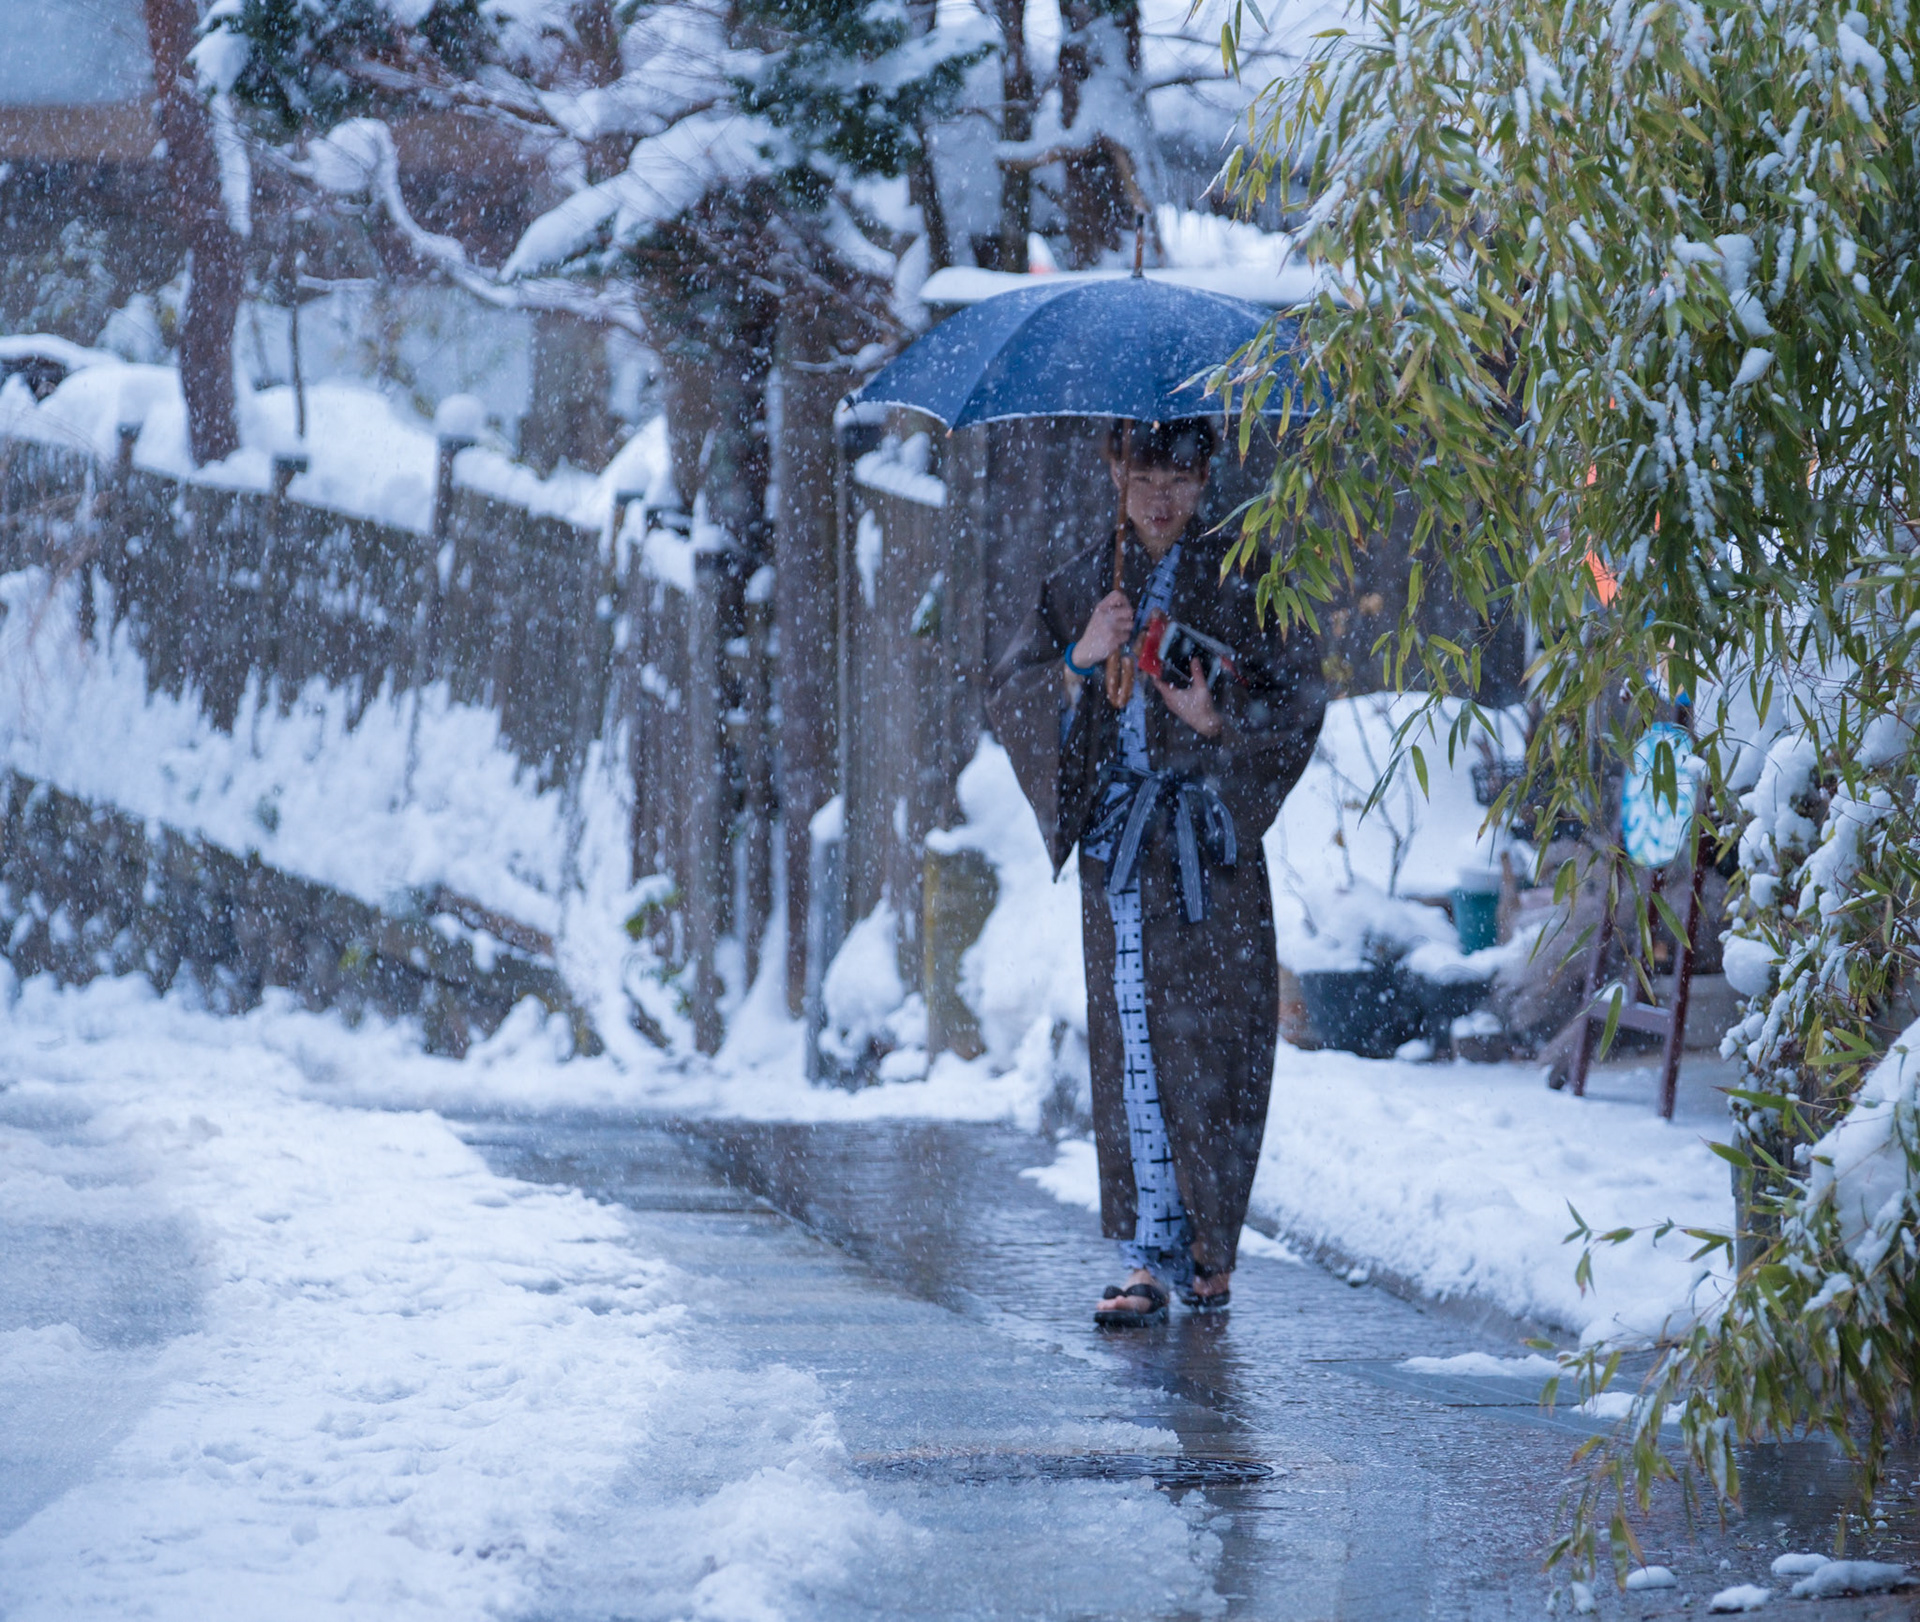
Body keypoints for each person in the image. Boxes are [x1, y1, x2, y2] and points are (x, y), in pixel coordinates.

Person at [986, 417, 1325, 1326]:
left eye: (1181, 474)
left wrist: (1217, 723)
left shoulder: (1251, 576)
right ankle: (1142, 1255)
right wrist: (1077, 658)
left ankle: (1209, 1251)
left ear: (1208, 473)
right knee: (1135, 1043)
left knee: (1214, 1047)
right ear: (1115, 467)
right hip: (1123, 845)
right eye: (1144, 472)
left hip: (1210, 845)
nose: (1162, 496)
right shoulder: (1081, 586)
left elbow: (1303, 700)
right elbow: (1007, 689)